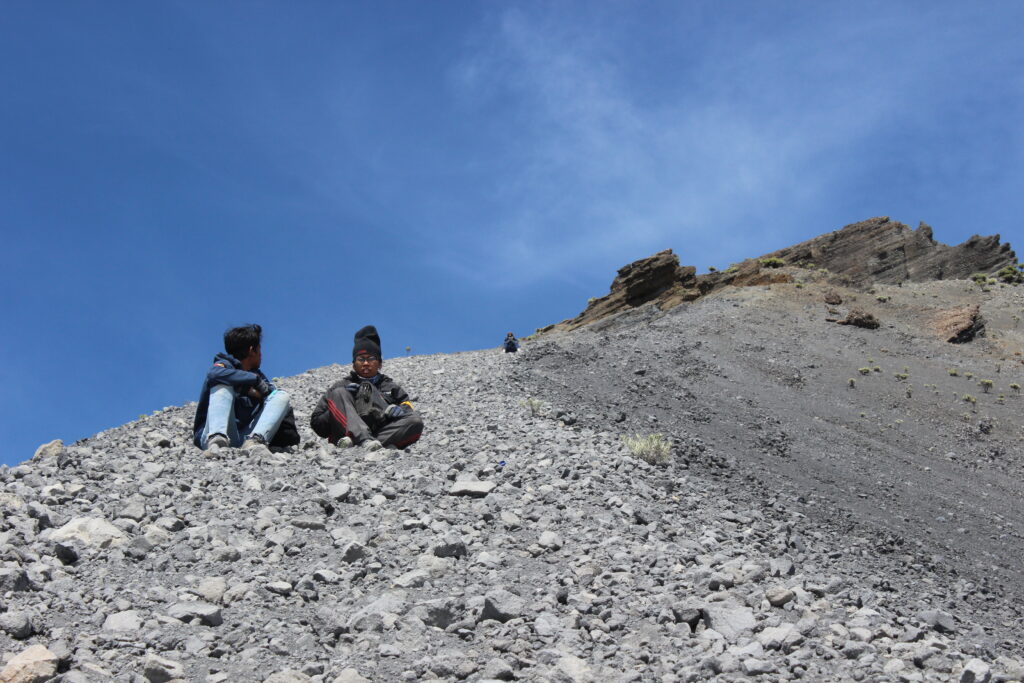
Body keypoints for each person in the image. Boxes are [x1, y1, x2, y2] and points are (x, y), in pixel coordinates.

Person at [311, 325, 423, 450]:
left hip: (379, 434)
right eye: (360, 359)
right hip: (344, 434)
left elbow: (408, 410)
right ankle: (362, 437)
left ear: (380, 364)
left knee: (415, 422)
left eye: (371, 358)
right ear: (353, 365)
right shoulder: (340, 386)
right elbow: (317, 424)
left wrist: (399, 410)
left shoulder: (392, 388)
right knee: (340, 393)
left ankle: (364, 442)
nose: (365, 363)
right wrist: (342, 405)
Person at [192, 324, 299, 453]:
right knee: (222, 385)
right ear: (251, 350)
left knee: (281, 395)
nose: (261, 355)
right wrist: (252, 382)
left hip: (242, 437)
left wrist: (258, 389)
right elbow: (214, 373)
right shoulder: (225, 365)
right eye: (259, 349)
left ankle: (255, 440)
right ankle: (217, 437)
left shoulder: (259, 375)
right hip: (211, 435)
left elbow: (271, 396)